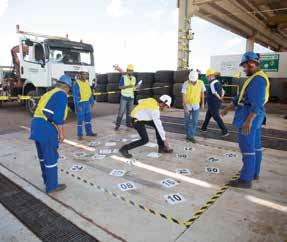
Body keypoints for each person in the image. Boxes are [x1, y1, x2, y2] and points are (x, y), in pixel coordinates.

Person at [221, 51, 270, 188]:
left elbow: (257, 103)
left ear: (251, 64)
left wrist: (248, 121)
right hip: (254, 114)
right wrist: (228, 107)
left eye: (244, 66)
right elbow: (241, 97)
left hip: (250, 115)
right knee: (255, 146)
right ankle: (254, 172)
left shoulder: (258, 80)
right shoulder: (255, 78)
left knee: (247, 147)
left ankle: (245, 179)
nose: (243, 69)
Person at [30, 75, 72, 194]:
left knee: (43, 156)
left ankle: (47, 181)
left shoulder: (49, 93)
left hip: (36, 123)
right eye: (69, 89)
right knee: (51, 157)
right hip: (45, 126)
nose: (68, 91)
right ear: (66, 87)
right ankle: (52, 186)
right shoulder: (61, 94)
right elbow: (58, 118)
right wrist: (61, 134)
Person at [201, 69, 229, 136]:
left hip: (213, 103)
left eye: (207, 77)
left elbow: (214, 92)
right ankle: (203, 127)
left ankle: (225, 131)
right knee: (208, 115)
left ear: (211, 76)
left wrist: (219, 98)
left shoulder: (212, 83)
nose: (207, 78)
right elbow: (223, 91)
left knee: (216, 117)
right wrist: (221, 97)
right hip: (215, 103)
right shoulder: (218, 82)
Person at [182, 70, 206, 143]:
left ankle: (190, 136)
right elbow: (183, 96)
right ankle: (189, 135)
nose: (192, 82)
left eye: (193, 80)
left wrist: (202, 104)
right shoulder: (186, 83)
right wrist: (185, 107)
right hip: (188, 105)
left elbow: (202, 93)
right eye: (191, 80)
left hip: (196, 105)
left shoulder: (201, 83)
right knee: (186, 122)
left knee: (195, 121)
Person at [73, 70, 97, 140]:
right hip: (80, 104)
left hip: (86, 103)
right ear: (80, 75)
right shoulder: (76, 83)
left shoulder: (87, 82)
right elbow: (75, 96)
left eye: (86, 74)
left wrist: (92, 101)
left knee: (88, 119)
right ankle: (79, 135)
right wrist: (77, 106)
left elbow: (89, 93)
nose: (85, 76)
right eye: (84, 74)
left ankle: (89, 132)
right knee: (80, 120)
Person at [115, 64, 137, 130]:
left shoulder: (134, 78)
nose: (130, 72)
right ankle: (117, 125)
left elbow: (133, 89)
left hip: (131, 97)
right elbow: (120, 87)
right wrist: (128, 86)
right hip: (124, 97)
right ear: (127, 71)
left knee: (129, 112)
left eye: (131, 71)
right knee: (121, 112)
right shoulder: (123, 77)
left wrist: (137, 88)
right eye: (129, 70)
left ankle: (129, 124)